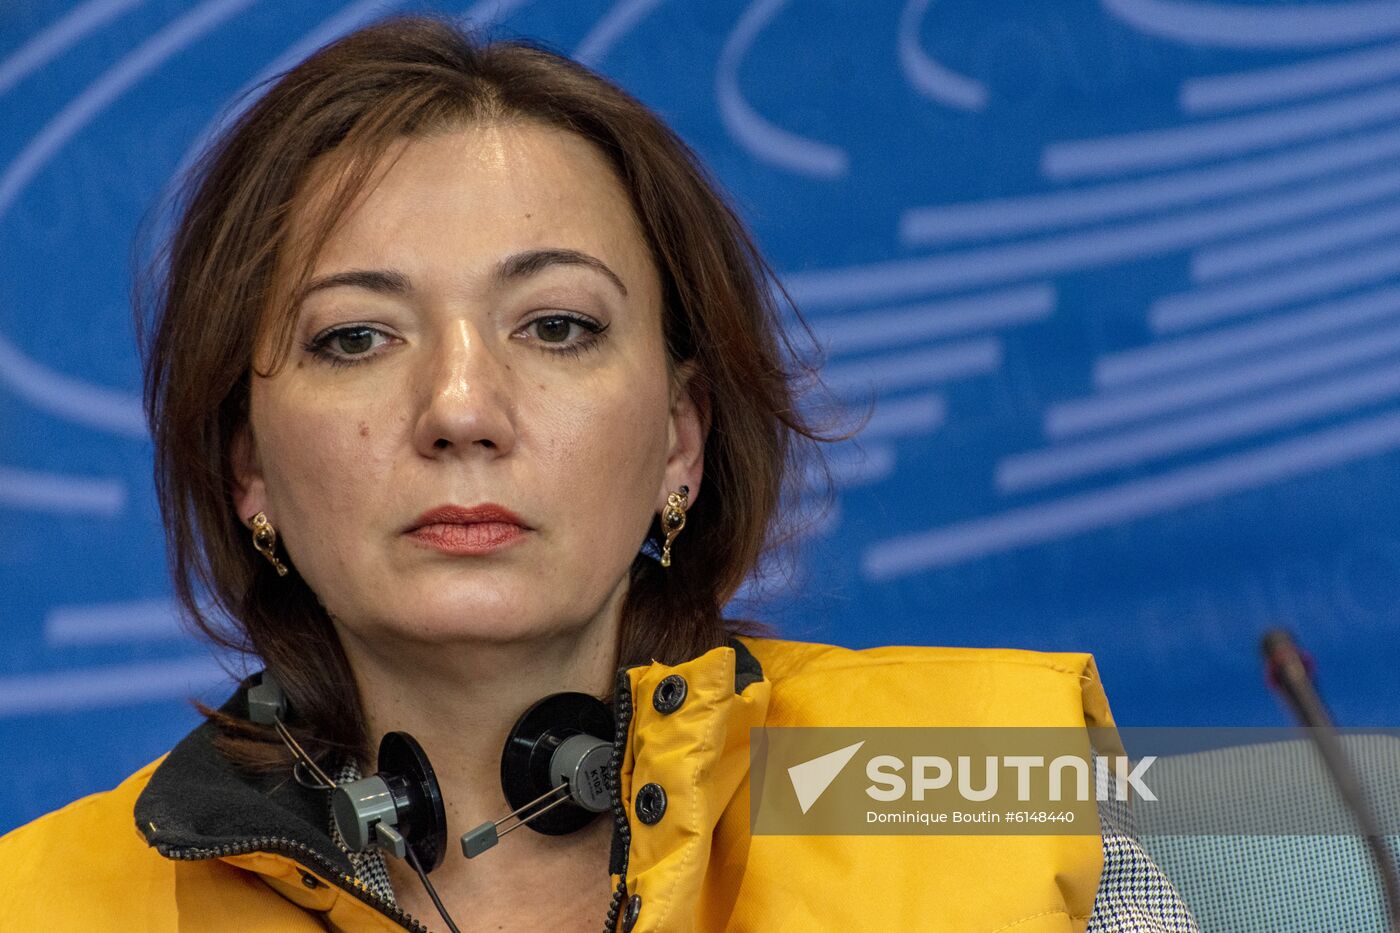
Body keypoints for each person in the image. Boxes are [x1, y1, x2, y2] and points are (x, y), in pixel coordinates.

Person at [0, 15, 1198, 932]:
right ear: (247, 468)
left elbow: (1306, 853)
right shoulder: (47, 903)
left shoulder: (974, 783)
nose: (460, 410)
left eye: (557, 327)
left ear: (679, 440)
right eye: (356, 337)